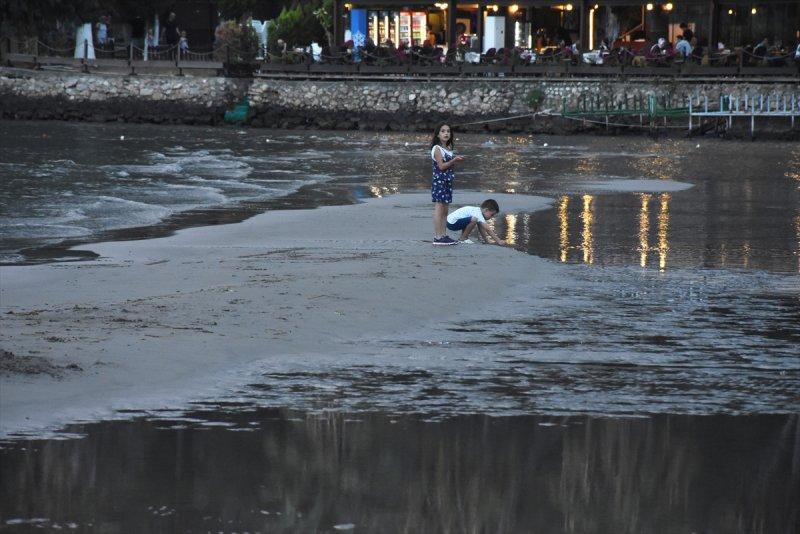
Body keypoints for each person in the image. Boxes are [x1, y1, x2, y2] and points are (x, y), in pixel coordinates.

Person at [430, 124, 463, 246]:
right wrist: (454, 160)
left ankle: (443, 235)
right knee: (439, 209)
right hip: (439, 182)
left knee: (445, 210)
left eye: (448, 131)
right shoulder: (437, 148)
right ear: (438, 134)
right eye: (443, 131)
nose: (446, 133)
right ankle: (438, 237)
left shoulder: (447, 149)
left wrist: (454, 160)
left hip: (447, 182)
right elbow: (441, 166)